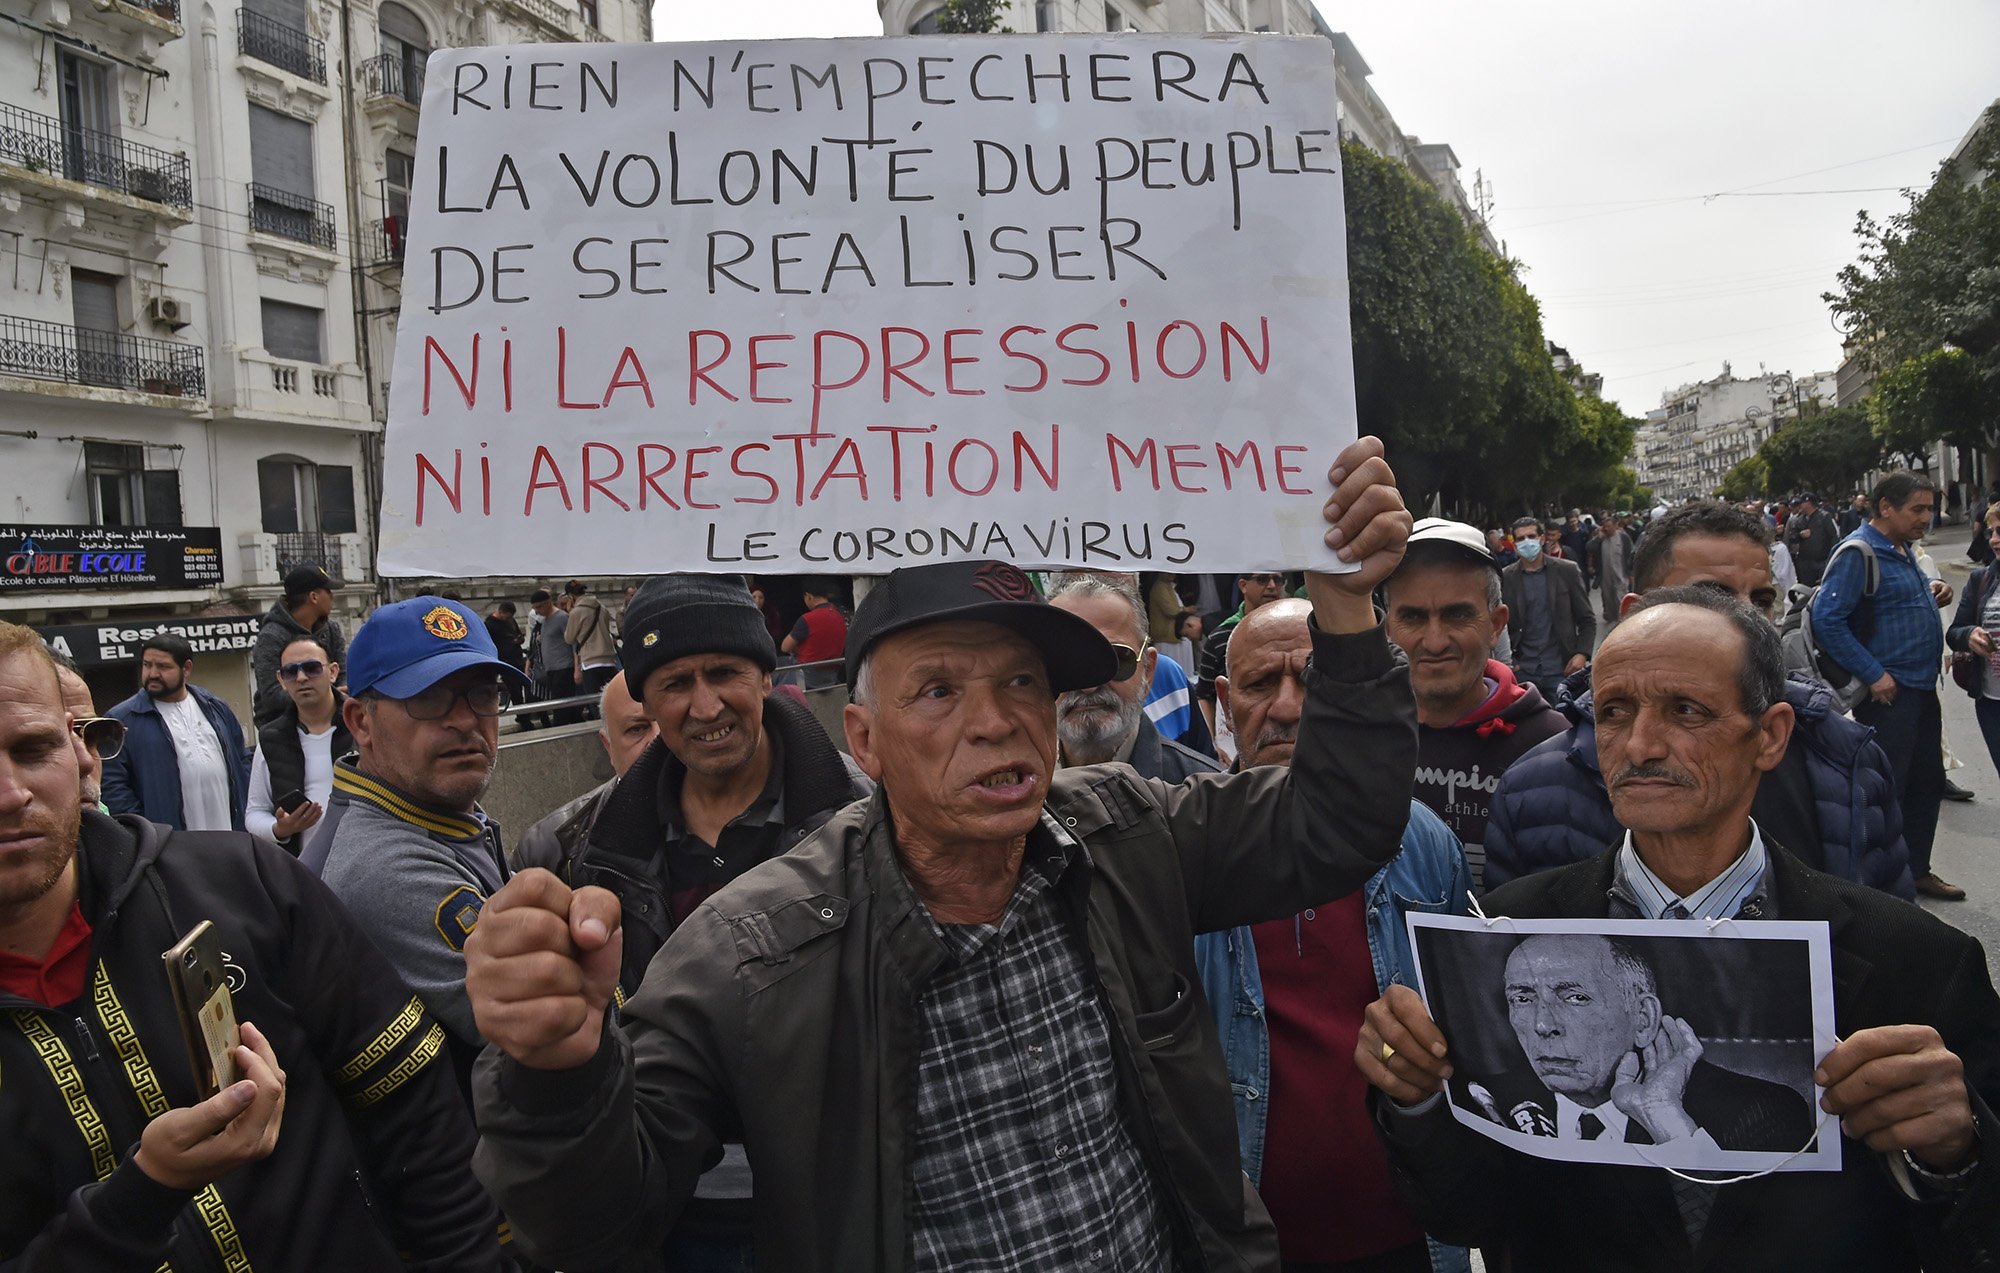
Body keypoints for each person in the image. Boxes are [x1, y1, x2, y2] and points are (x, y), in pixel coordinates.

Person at [464, 439, 1418, 1271]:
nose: (996, 721)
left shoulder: (1128, 832)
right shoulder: (751, 956)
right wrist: (555, 1068)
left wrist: (1343, 611)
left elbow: (1336, 821)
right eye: (938, 691)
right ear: (865, 742)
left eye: (1020, 682)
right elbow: (591, 1221)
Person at [1358, 588, 2000, 1271]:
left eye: (1685, 711)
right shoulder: (1507, 934)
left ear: (1772, 734)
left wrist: (1956, 1152)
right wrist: (1416, 1095)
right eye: (1614, 712)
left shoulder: (1913, 956)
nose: (1641, 744)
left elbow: (1974, 1233)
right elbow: (1465, 1211)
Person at [0, 621, 508, 1270]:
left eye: (32, 748)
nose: (11, 794)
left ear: (83, 755)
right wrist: (134, 1201)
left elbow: (415, 1105)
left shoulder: (246, 884)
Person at [554, 572, 876, 1269]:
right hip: (673, 1204)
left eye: (724, 672)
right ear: (643, 700)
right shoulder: (573, 848)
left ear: (766, 676)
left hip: (844, 1187)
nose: (705, 706)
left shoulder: (871, 819)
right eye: (674, 683)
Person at [1195, 597, 1471, 1273]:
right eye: (1262, 684)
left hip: (1410, 1241)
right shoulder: (1182, 851)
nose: (1288, 708)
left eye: (1314, 681)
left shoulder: (1422, 840)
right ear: (1226, 702)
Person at [1486, 502, 1913, 899]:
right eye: (1713, 597)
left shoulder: (1849, 761)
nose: (1749, 620)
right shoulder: (1534, 791)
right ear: (1637, 612)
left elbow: (1886, 934)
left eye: (1762, 600)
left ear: (1772, 735)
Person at [304, 595, 533, 1090]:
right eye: (429, 697)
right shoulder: (383, 866)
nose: (467, 721)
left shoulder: (436, 812)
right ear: (361, 722)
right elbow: (545, 1030)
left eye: (483, 693)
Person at [1474, 932, 1812, 1151]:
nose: (1543, 1024)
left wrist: (1669, 1125)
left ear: (1643, 1018)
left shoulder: (1759, 1112)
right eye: (1522, 999)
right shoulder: (1489, 1100)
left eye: (1575, 998)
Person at [1385, 519, 1569, 889]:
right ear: (1388, 628)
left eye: (1458, 615)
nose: (1435, 642)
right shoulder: (1362, 740)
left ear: (1496, 624)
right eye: (1413, 617)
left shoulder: (1554, 748)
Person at [1812, 471, 1961, 900]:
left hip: (1919, 687)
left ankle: (1917, 869)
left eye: (1930, 509)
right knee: (1888, 788)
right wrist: (1874, 673)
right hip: (1890, 695)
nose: (1927, 518)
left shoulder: (1902, 549)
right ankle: (1883, 887)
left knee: (1927, 780)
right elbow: (1827, 619)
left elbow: (1889, 602)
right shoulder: (1859, 552)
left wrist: (1931, 590)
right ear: (1885, 508)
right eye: (1918, 509)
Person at [1047, 573, 1221, 783]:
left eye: (1115, 659)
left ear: (1148, 671)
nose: (1089, 685)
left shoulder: (1203, 795)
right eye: (1065, 662)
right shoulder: (1009, 791)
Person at [510, 670, 658, 880]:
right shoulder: (544, 852)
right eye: (637, 729)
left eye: (668, 723)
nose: (658, 741)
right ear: (609, 747)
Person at [102, 633, 251, 832]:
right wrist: (148, 830)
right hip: (169, 845)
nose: (152, 673)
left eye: (163, 667)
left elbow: (242, 760)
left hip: (231, 836)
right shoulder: (122, 719)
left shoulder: (215, 707)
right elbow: (112, 786)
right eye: (147, 665)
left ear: (186, 668)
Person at [246, 636, 351, 854]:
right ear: (281, 680)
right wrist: (280, 829)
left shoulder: (364, 727)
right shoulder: (272, 738)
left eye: (312, 668)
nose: (301, 678)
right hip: (302, 873)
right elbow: (255, 812)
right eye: (290, 672)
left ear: (332, 672)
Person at [1195, 568, 1291, 755]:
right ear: (1243, 586)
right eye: (1262, 579)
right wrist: (1213, 743)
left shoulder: (1294, 635)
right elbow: (1204, 695)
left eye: (1277, 580)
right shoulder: (1219, 637)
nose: (1271, 586)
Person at [1499, 517, 1595, 703]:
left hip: (1562, 668)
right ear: (1514, 543)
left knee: (1566, 726)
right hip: (1524, 672)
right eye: (1520, 538)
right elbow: (1498, 625)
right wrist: (1511, 663)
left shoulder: (1567, 571)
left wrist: (1581, 654)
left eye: (1531, 536)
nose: (1526, 542)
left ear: (1542, 539)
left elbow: (1587, 619)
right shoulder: (1505, 578)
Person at [249, 565, 346, 727]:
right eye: (328, 591)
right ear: (313, 597)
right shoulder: (270, 637)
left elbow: (343, 672)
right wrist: (320, 696)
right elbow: (271, 694)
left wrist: (335, 695)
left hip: (332, 720)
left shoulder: (331, 629)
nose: (332, 596)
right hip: (284, 729)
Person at [1946, 502, 2000, 779]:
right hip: (1992, 703)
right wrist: (1970, 635)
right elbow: (1954, 632)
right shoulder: (1982, 578)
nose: (1994, 540)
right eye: (1991, 532)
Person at [781, 580, 849, 689]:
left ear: (808, 596)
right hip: (831, 675)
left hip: (807, 677)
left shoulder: (807, 619)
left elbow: (785, 647)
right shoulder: (840, 617)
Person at [563, 581, 619, 700]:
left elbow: (569, 638)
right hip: (609, 659)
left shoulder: (576, 612)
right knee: (613, 699)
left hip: (590, 662)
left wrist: (570, 614)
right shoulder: (602, 608)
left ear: (570, 596)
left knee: (596, 702)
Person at [529, 588, 574, 709]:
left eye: (539, 607)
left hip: (564, 667)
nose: (537, 612)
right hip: (550, 669)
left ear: (548, 603)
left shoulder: (562, 618)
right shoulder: (544, 621)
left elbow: (573, 642)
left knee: (562, 707)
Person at [1785, 492, 1839, 587]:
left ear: (1808, 503)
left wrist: (1833, 557)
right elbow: (1792, 538)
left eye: (1802, 503)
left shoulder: (1824, 517)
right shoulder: (1799, 519)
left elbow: (1833, 537)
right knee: (1807, 589)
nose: (1800, 505)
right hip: (1805, 562)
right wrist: (1800, 535)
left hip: (1822, 560)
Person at [1596, 513, 1634, 623]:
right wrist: (1598, 538)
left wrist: (1631, 573)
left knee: (1621, 599)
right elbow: (1589, 547)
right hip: (1605, 577)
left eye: (1609, 526)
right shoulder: (1601, 538)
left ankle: (1623, 622)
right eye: (1605, 527)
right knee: (1608, 600)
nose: (1607, 529)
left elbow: (1631, 555)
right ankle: (1611, 618)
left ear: (1615, 525)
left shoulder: (1623, 537)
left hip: (1621, 575)